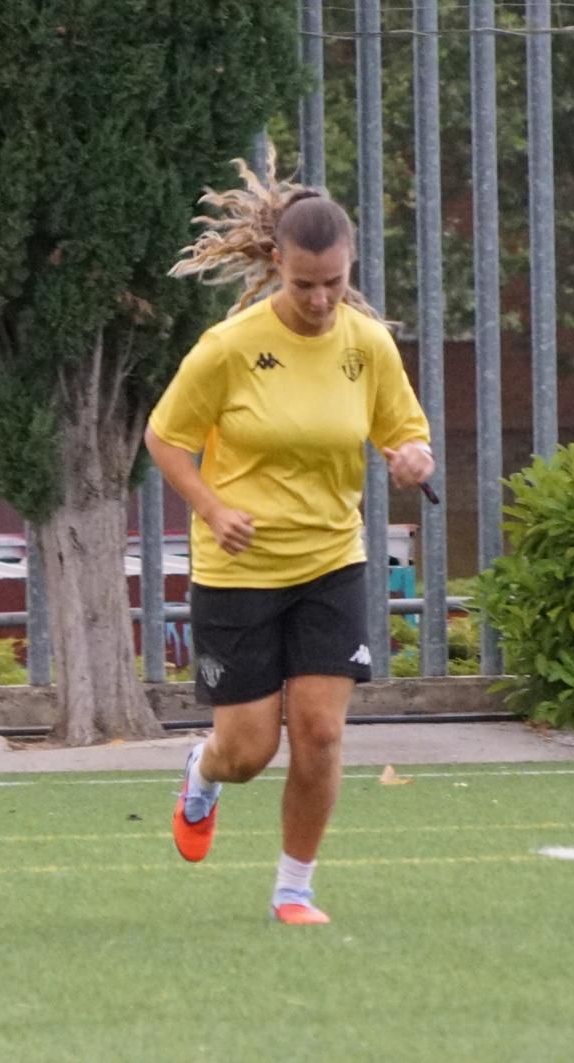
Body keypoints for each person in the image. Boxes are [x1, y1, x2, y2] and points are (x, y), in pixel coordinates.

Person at [146, 159, 435, 925]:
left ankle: (294, 888)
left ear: (350, 266)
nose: (319, 300)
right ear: (277, 262)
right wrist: (211, 507)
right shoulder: (228, 347)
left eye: (334, 283)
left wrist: (414, 458)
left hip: (331, 562)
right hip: (239, 569)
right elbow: (165, 438)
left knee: (319, 731)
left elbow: (404, 431)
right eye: (305, 283)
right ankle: (202, 770)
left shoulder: (368, 345)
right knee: (247, 751)